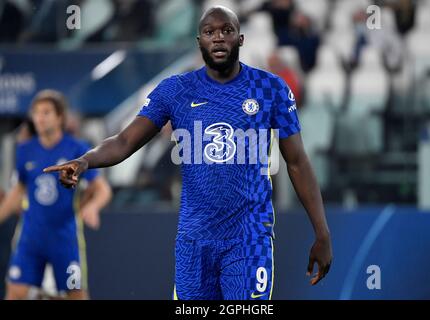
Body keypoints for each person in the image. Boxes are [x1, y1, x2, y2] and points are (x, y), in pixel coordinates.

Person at [44, 6, 332, 300]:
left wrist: (322, 232)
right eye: (209, 32)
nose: (218, 38)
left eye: (226, 31)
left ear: (241, 39)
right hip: (194, 242)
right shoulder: (176, 90)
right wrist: (85, 160)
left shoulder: (270, 89)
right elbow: (124, 141)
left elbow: (297, 162)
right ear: (199, 42)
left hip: (249, 238)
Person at [0, 89, 112, 300]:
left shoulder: (77, 148)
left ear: (60, 116)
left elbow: (102, 188)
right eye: (36, 112)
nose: (39, 118)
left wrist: (92, 207)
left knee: (76, 294)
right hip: (31, 235)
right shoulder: (25, 150)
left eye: (46, 112)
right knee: (14, 292)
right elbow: (19, 190)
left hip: (64, 237)